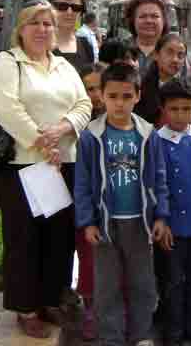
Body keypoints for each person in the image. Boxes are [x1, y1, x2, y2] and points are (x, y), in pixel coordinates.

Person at [0, 0, 92, 339]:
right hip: (23, 166)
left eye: (48, 24)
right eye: (35, 23)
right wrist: (42, 142)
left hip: (65, 164)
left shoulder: (62, 65)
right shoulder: (7, 62)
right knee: (25, 239)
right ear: (21, 28)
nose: (43, 30)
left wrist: (63, 129)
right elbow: (7, 108)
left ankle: (51, 300)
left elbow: (85, 102)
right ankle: (26, 307)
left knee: (59, 239)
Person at [75, 63, 169, 346]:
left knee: (143, 284)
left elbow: (160, 178)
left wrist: (161, 216)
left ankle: (141, 335)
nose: (119, 103)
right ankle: (111, 337)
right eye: (113, 96)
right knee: (107, 287)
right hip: (105, 224)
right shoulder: (91, 136)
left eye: (126, 96)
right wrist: (88, 221)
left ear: (137, 96)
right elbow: (82, 183)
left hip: (140, 223)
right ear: (101, 96)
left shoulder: (148, 134)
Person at [153, 79, 191, 346]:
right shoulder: (156, 141)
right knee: (172, 282)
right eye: (174, 109)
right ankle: (173, 332)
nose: (180, 114)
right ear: (164, 110)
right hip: (172, 227)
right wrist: (162, 220)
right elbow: (156, 183)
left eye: (186, 109)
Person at [75, 61, 108, 340]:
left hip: (119, 207)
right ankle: (90, 308)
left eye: (99, 88)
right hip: (88, 205)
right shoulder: (78, 126)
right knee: (88, 259)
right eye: (88, 89)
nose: (95, 95)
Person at [135, 33, 188, 126]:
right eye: (169, 53)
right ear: (156, 55)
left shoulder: (189, 89)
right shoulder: (140, 88)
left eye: (180, 55)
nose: (175, 60)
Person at [48, 0, 95, 72]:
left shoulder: (86, 45)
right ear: (50, 8)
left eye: (76, 7)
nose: (69, 12)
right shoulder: (40, 43)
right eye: (62, 6)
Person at [125, 0, 170, 74]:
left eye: (155, 16)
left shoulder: (175, 51)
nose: (149, 21)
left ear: (164, 21)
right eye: (142, 16)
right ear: (133, 21)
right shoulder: (121, 49)